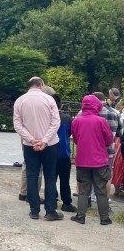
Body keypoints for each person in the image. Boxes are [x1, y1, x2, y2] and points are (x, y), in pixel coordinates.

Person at [13, 77, 63, 221]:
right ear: (41, 85)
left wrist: (31, 139)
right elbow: (55, 122)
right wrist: (45, 140)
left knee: (32, 175)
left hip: (30, 145)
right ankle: (50, 210)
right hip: (50, 144)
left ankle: (34, 210)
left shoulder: (20, 101)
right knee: (50, 176)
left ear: (29, 86)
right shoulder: (49, 100)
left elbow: (18, 125)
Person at [71, 94, 113, 225]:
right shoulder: (101, 121)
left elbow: (76, 139)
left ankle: (80, 216)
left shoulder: (76, 121)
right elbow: (109, 140)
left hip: (82, 160)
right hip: (100, 161)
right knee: (100, 190)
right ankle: (104, 218)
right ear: (97, 105)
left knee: (83, 190)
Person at [53, 94, 76, 212]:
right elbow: (70, 134)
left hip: (50, 153)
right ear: (61, 105)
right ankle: (66, 203)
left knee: (51, 178)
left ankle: (52, 200)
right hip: (63, 153)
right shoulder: (67, 118)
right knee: (65, 179)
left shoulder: (47, 117)